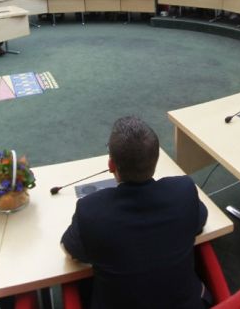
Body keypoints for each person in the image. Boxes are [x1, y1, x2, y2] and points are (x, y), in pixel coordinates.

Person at [61, 116, 208, 309]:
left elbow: (70, 250)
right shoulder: (183, 190)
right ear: (156, 160)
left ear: (111, 165)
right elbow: (199, 220)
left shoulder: (90, 210)